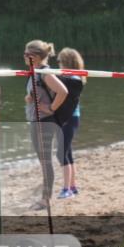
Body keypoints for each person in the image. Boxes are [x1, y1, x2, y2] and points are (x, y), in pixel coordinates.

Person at [23, 40, 68, 210]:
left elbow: (63, 91)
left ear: (35, 56)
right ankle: (45, 196)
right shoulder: (35, 72)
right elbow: (40, 93)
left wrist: (50, 108)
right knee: (44, 161)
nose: (24, 57)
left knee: (45, 161)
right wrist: (30, 99)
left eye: (27, 54)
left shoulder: (44, 72)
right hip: (38, 121)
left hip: (44, 123)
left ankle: (45, 199)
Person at [54, 47, 86, 199]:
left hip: (70, 119)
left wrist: (48, 75)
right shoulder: (69, 77)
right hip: (68, 118)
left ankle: (66, 189)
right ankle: (72, 186)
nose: (58, 64)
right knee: (67, 152)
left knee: (61, 153)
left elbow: (62, 84)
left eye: (59, 61)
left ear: (66, 62)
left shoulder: (74, 78)